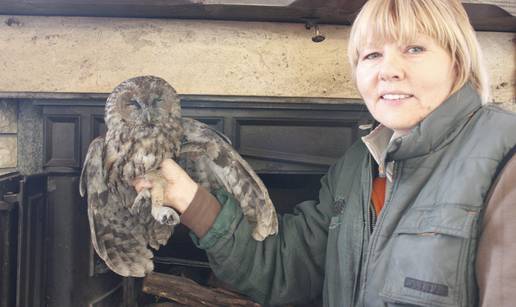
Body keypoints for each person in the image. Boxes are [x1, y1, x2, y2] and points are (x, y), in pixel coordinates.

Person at [134, 0, 516, 306]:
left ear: (458, 60)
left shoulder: (504, 154)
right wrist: (187, 197)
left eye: (414, 48)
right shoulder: (357, 166)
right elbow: (283, 271)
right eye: (371, 55)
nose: (388, 71)